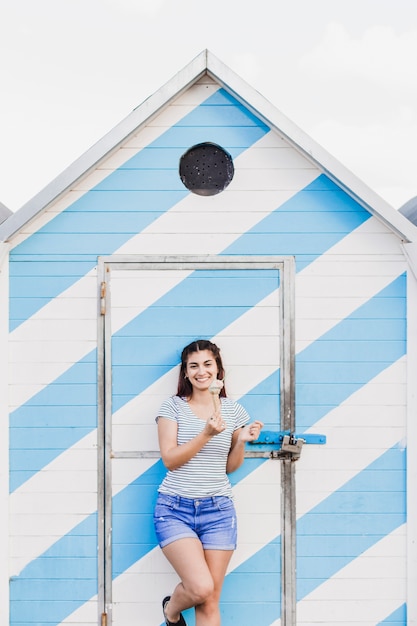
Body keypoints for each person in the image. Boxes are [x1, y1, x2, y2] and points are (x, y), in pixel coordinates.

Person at [153, 339, 264, 626]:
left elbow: (229, 467)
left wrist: (240, 440)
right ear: (186, 373)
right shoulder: (173, 407)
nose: (201, 371)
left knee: (210, 599)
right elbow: (170, 459)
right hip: (175, 509)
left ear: (218, 370)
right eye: (194, 366)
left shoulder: (234, 410)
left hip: (218, 510)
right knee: (200, 588)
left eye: (207, 364)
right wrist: (205, 434)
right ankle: (171, 612)